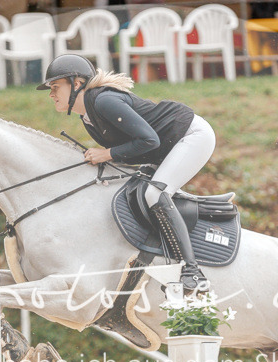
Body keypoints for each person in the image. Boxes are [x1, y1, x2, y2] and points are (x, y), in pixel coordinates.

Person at [37, 55, 215, 294]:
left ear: (76, 83)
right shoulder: (87, 115)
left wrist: (107, 153)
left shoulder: (104, 102)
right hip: (167, 146)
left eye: (55, 87)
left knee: (155, 193)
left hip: (191, 136)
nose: (51, 93)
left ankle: (192, 271)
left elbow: (149, 140)